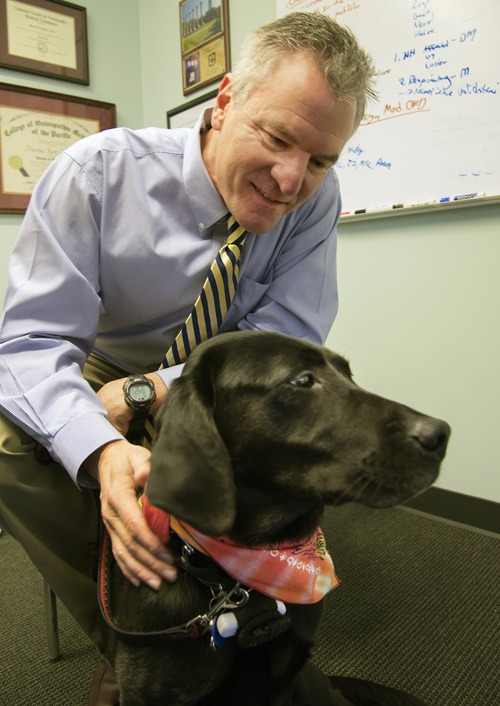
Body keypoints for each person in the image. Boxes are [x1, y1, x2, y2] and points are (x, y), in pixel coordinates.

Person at [0, 9, 375, 693]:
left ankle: (248, 604)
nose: (292, 181)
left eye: (320, 160)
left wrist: (158, 390)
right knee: (4, 437)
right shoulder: (98, 171)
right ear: (225, 99)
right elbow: (31, 343)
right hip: (106, 359)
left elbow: (289, 334)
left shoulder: (316, 199)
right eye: (278, 138)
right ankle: (135, 628)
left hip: (216, 375)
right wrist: (102, 451)